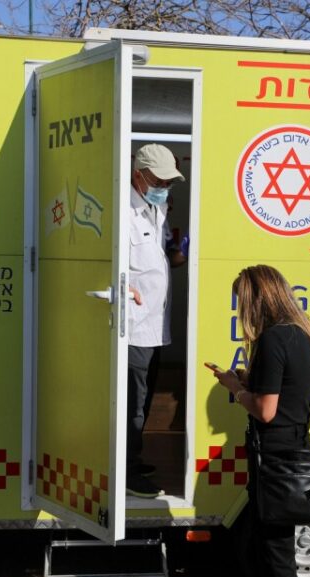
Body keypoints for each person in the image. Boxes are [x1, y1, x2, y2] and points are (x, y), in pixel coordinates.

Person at [212, 265, 310, 577]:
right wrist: (248, 380)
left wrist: (234, 387)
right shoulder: (302, 334)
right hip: (291, 452)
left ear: (258, 299)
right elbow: (287, 392)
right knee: (266, 557)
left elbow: (266, 410)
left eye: (242, 301)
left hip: (274, 460)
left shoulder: (274, 338)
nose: (240, 310)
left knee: (277, 563)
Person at [126, 144, 186, 498]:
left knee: (144, 401)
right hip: (133, 328)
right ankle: (127, 471)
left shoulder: (156, 209)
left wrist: (182, 254)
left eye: (169, 182)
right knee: (133, 404)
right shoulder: (122, 212)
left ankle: (132, 458)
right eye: (160, 180)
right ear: (139, 175)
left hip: (155, 326)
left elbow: (164, 258)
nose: (165, 187)